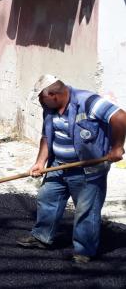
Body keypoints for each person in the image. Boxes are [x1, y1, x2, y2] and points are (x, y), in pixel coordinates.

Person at [16, 75, 126, 264]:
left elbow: (120, 116)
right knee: (47, 196)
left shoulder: (88, 101)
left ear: (53, 94)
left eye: (42, 98)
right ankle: (42, 237)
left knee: (86, 210)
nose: (40, 102)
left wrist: (117, 147)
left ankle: (84, 250)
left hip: (88, 167)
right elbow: (46, 136)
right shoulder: (49, 109)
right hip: (59, 165)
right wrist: (40, 162)